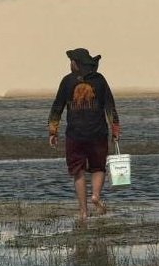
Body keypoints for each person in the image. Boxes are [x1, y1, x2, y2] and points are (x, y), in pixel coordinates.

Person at [49, 48, 120, 222]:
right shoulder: (100, 80)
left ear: (76, 63)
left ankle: (83, 212)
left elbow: (57, 107)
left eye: (71, 61)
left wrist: (53, 131)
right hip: (98, 133)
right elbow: (110, 106)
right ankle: (95, 196)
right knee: (98, 167)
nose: (70, 64)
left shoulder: (67, 81)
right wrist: (115, 130)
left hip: (75, 134)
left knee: (78, 171)